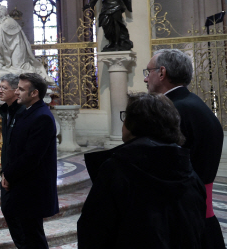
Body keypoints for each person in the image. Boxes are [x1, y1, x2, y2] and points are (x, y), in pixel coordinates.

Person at [77, 93, 206, 249]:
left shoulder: (117, 169)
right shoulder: (185, 166)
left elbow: (93, 230)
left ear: (136, 124)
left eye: (125, 117)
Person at [144, 49, 225, 249]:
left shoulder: (171, 110)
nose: (146, 79)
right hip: (202, 217)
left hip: (180, 222)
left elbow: (159, 167)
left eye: (148, 72)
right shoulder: (195, 103)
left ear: (162, 73)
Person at [2, 73, 58, 249]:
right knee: (27, 237)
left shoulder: (42, 117)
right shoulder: (28, 113)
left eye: (21, 89)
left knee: (33, 239)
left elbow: (31, 157)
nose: (17, 92)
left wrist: (9, 175)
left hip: (32, 190)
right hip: (24, 187)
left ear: (34, 93)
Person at [0, 4, 49, 83]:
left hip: (17, 47)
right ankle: (10, 72)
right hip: (4, 53)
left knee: (18, 67)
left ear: (3, 12)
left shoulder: (9, 21)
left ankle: (36, 74)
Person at [0, 73, 27, 247]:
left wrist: (10, 174)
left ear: (16, 91)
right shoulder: (7, 111)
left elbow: (21, 150)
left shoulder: (22, 113)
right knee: (9, 212)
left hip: (16, 176)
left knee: (20, 221)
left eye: (3, 88)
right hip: (7, 173)